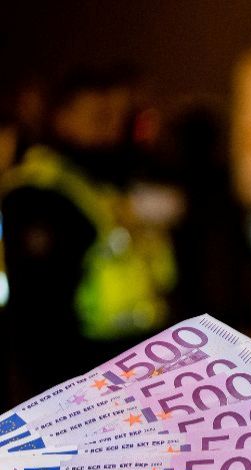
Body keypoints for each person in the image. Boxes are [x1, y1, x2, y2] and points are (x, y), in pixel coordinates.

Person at [0, 66, 175, 401]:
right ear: (62, 119)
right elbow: (39, 318)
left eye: (119, 119)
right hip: (79, 379)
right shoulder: (41, 194)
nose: (113, 130)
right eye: (100, 117)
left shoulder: (103, 186)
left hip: (127, 366)